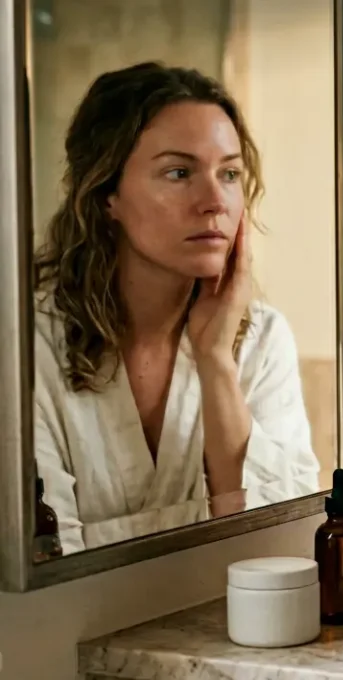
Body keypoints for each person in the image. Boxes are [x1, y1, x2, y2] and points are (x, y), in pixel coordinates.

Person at [31, 62, 320, 553]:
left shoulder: (261, 339)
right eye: (179, 172)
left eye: (229, 173)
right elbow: (44, 562)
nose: (214, 201)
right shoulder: (27, 344)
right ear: (106, 195)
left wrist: (215, 361)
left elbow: (283, 550)